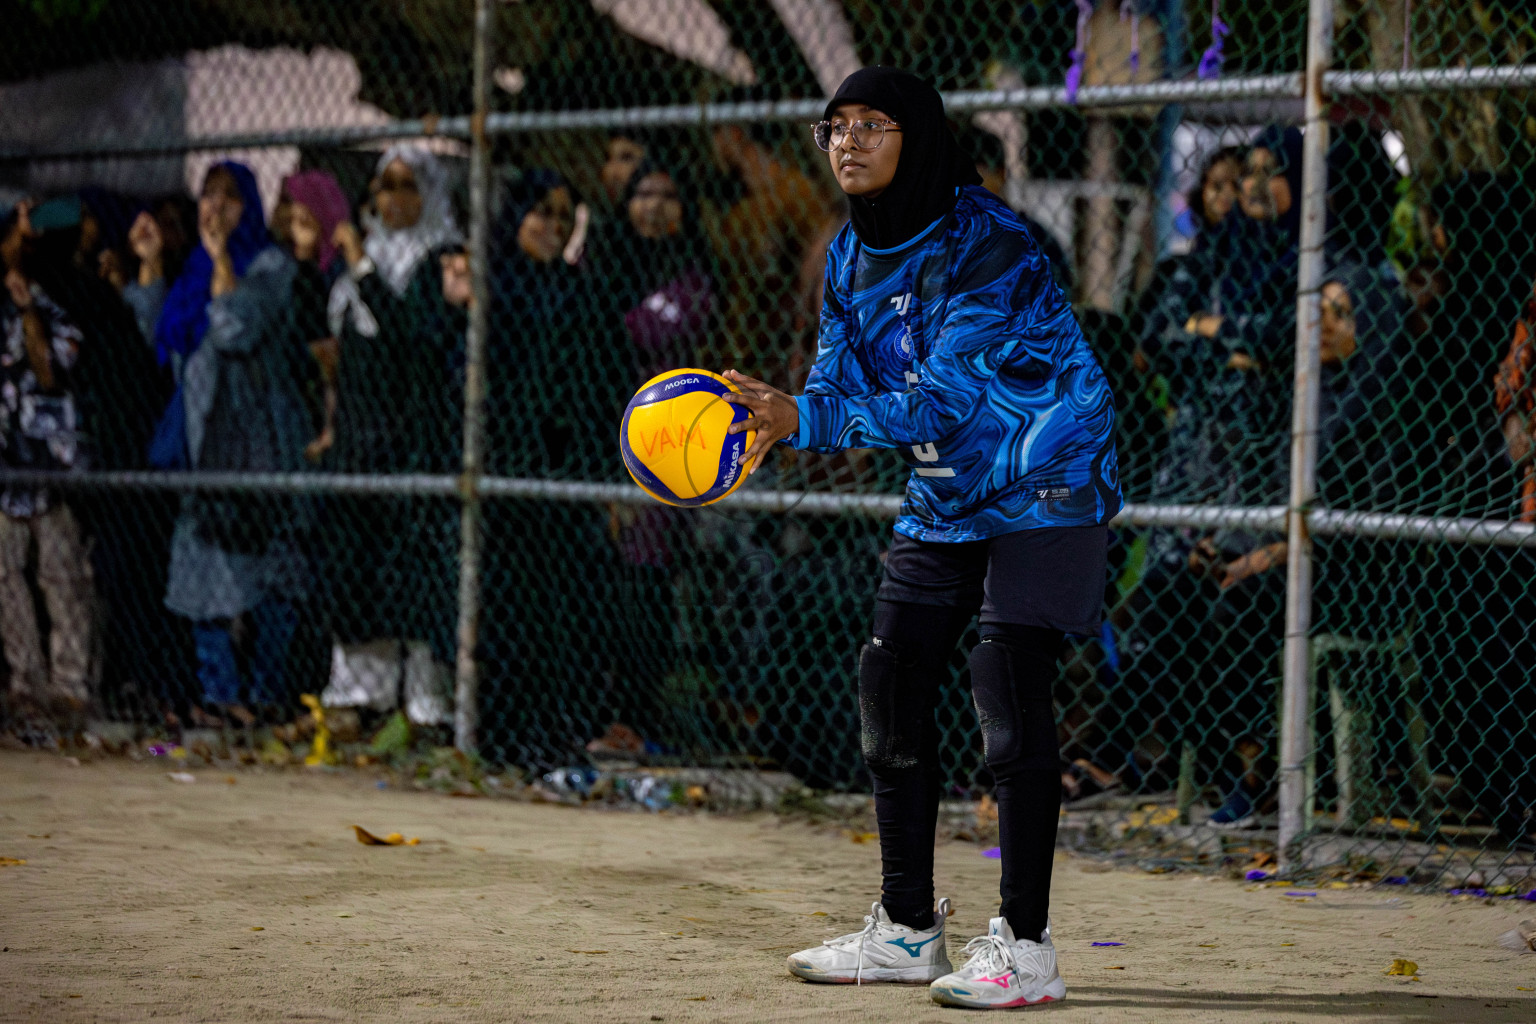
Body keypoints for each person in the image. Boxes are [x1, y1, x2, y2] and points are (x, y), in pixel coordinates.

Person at [723, 67, 1120, 1009]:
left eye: (873, 124)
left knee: (1005, 681)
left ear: (922, 138)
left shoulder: (989, 242)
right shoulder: (850, 256)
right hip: (949, 483)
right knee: (891, 673)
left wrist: (807, 421)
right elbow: (828, 383)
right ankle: (908, 932)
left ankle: (1027, 948)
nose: (848, 142)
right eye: (835, 128)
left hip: (1045, 474)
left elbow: (944, 396)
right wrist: (778, 421)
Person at [138, 162, 311, 727]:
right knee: (200, 569)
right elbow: (156, 346)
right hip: (200, 441)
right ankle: (221, 697)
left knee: (274, 573)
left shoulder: (271, 265)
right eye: (208, 194)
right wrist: (151, 267)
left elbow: (236, 328)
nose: (217, 206)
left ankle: (264, 694)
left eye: (231, 197)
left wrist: (218, 261)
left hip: (259, 443)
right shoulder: (191, 269)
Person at [0, 200, 95, 720]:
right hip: (7, 460)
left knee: (59, 576)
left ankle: (70, 683)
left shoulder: (59, 302)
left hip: (50, 461)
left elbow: (50, 371)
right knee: (5, 575)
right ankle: (25, 680)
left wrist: (28, 309)